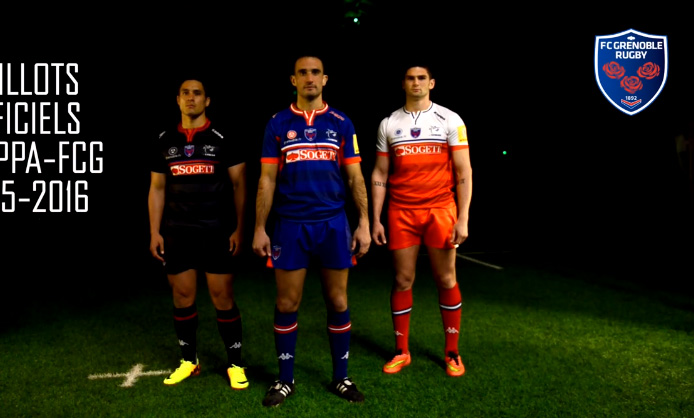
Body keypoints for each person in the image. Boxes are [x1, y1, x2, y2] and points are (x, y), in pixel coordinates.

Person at [252, 55, 371, 406]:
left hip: (333, 222)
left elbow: (355, 177)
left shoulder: (341, 122)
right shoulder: (277, 123)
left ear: (325, 79)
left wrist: (364, 222)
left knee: (338, 300)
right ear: (293, 80)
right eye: (302, 72)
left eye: (315, 72)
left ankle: (341, 377)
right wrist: (259, 227)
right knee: (287, 302)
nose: (309, 78)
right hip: (290, 224)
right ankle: (284, 379)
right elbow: (267, 179)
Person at [371, 63, 473, 378]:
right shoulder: (389, 123)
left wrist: (463, 218)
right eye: (410, 78)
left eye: (421, 78)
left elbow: (464, 171)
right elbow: (380, 173)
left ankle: (452, 352)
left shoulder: (450, 119)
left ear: (431, 83)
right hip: (401, 211)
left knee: (446, 278)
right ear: (402, 83)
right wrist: (375, 219)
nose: (416, 83)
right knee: (403, 280)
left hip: (440, 209)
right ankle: (401, 351)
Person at [148, 78, 249, 390]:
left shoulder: (223, 137)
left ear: (207, 101)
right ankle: (188, 361)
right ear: (177, 99)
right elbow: (157, 188)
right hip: (177, 231)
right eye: (185, 93)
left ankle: (235, 364)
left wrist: (239, 227)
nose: (191, 98)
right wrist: (154, 231)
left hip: (216, 230)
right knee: (182, 297)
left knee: (223, 297)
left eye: (197, 93)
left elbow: (239, 184)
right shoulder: (165, 139)